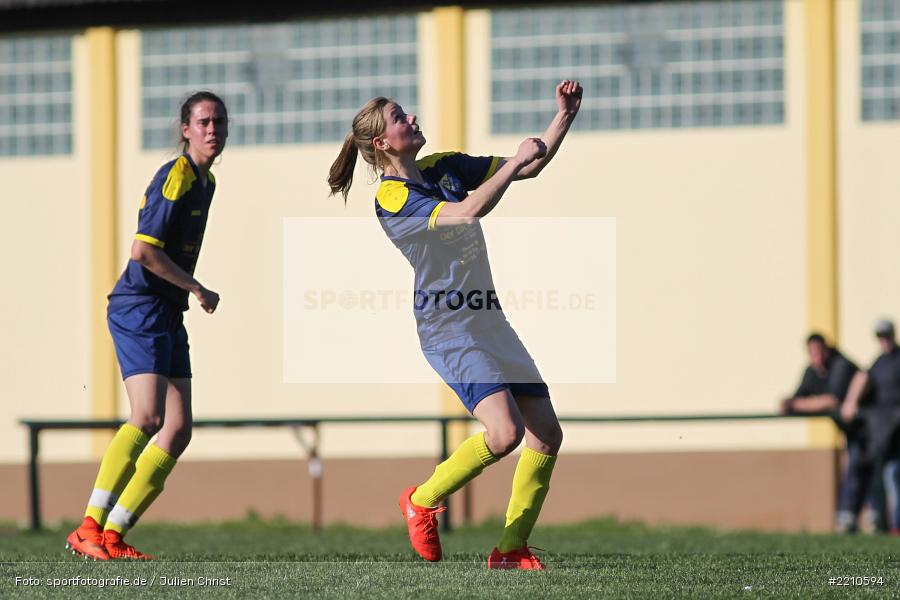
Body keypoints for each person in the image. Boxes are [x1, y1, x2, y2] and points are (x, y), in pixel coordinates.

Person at [327, 80, 582, 570]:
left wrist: (564, 116)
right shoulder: (394, 198)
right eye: (401, 117)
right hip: (449, 328)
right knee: (504, 433)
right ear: (382, 143)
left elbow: (530, 165)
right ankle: (421, 501)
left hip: (488, 317)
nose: (413, 119)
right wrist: (510, 164)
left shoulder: (440, 166)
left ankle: (510, 550)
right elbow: (468, 211)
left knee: (546, 432)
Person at [65, 91, 228, 560]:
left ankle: (114, 535)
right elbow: (143, 251)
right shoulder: (176, 176)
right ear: (185, 129)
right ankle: (88, 527)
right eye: (203, 122)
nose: (212, 129)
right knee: (148, 417)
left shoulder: (207, 180)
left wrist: (184, 294)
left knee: (176, 429)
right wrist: (196, 287)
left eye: (218, 121)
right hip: (140, 306)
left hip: (166, 309)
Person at [780, 333, 874, 533]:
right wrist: (789, 404)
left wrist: (797, 405)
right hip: (851, 430)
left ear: (827, 350)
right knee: (857, 467)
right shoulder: (812, 371)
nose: (815, 356)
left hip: (869, 427)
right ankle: (855, 516)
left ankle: (858, 516)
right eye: (811, 352)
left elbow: (831, 400)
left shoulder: (840, 365)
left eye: (818, 351)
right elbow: (796, 399)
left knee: (861, 467)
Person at [842, 319, 900, 534]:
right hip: (883, 429)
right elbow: (863, 379)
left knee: (894, 474)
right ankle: (886, 523)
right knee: (884, 473)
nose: (883, 340)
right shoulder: (879, 362)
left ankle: (894, 524)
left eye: (886, 335)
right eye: (880, 337)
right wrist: (851, 402)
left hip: (896, 428)